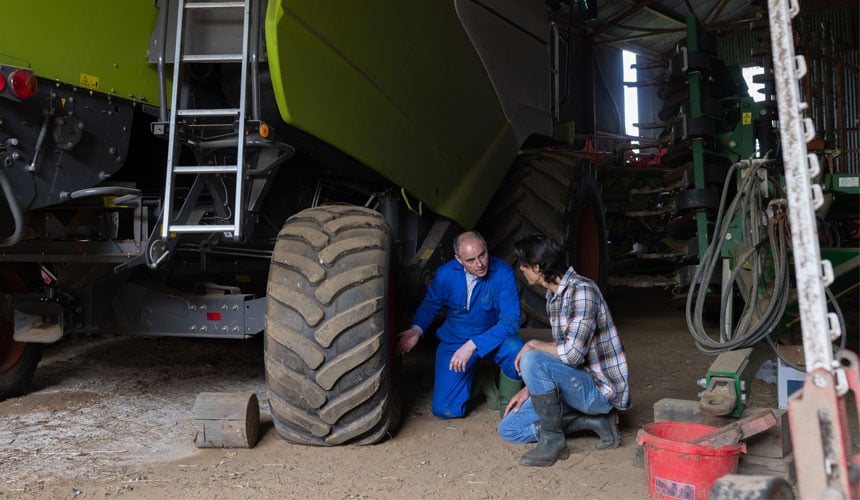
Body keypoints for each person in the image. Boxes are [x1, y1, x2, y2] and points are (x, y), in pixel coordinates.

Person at [498, 233, 629, 467]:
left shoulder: (583, 292)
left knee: (530, 356)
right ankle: (592, 422)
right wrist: (529, 389)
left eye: (524, 265)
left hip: (599, 390)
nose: (521, 270)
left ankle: (554, 441)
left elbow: (571, 354)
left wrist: (533, 344)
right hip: (575, 384)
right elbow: (559, 360)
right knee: (509, 429)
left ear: (537, 267)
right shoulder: (553, 296)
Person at [396, 231, 524, 419]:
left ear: (486, 248)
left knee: (516, 348)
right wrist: (417, 329)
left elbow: (511, 322)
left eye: (482, 255)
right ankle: (480, 380)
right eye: (471, 260)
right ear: (458, 259)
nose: (479, 264)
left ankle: (509, 404)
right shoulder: (445, 274)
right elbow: (430, 305)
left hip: (493, 339)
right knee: (445, 410)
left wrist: (473, 345)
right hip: (455, 341)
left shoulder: (503, 273)